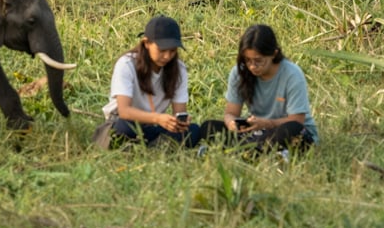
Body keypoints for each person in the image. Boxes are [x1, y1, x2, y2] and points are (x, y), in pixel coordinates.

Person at [200, 24, 318, 154]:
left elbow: (297, 120)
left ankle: (244, 151)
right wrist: (231, 124)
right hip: (255, 132)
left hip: (284, 130)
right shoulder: (239, 72)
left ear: (274, 54)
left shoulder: (292, 74)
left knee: (293, 130)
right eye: (247, 60)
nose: (252, 66)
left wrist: (267, 124)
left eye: (258, 61)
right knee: (209, 127)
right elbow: (230, 113)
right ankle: (258, 151)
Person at [103, 15, 201, 148]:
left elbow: (179, 112)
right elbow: (124, 111)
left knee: (193, 131)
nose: (167, 56)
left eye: (172, 51)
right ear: (146, 43)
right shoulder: (127, 64)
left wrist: (179, 122)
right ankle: (155, 145)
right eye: (162, 50)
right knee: (122, 128)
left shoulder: (179, 69)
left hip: (153, 126)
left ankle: (153, 145)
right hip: (126, 122)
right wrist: (158, 118)